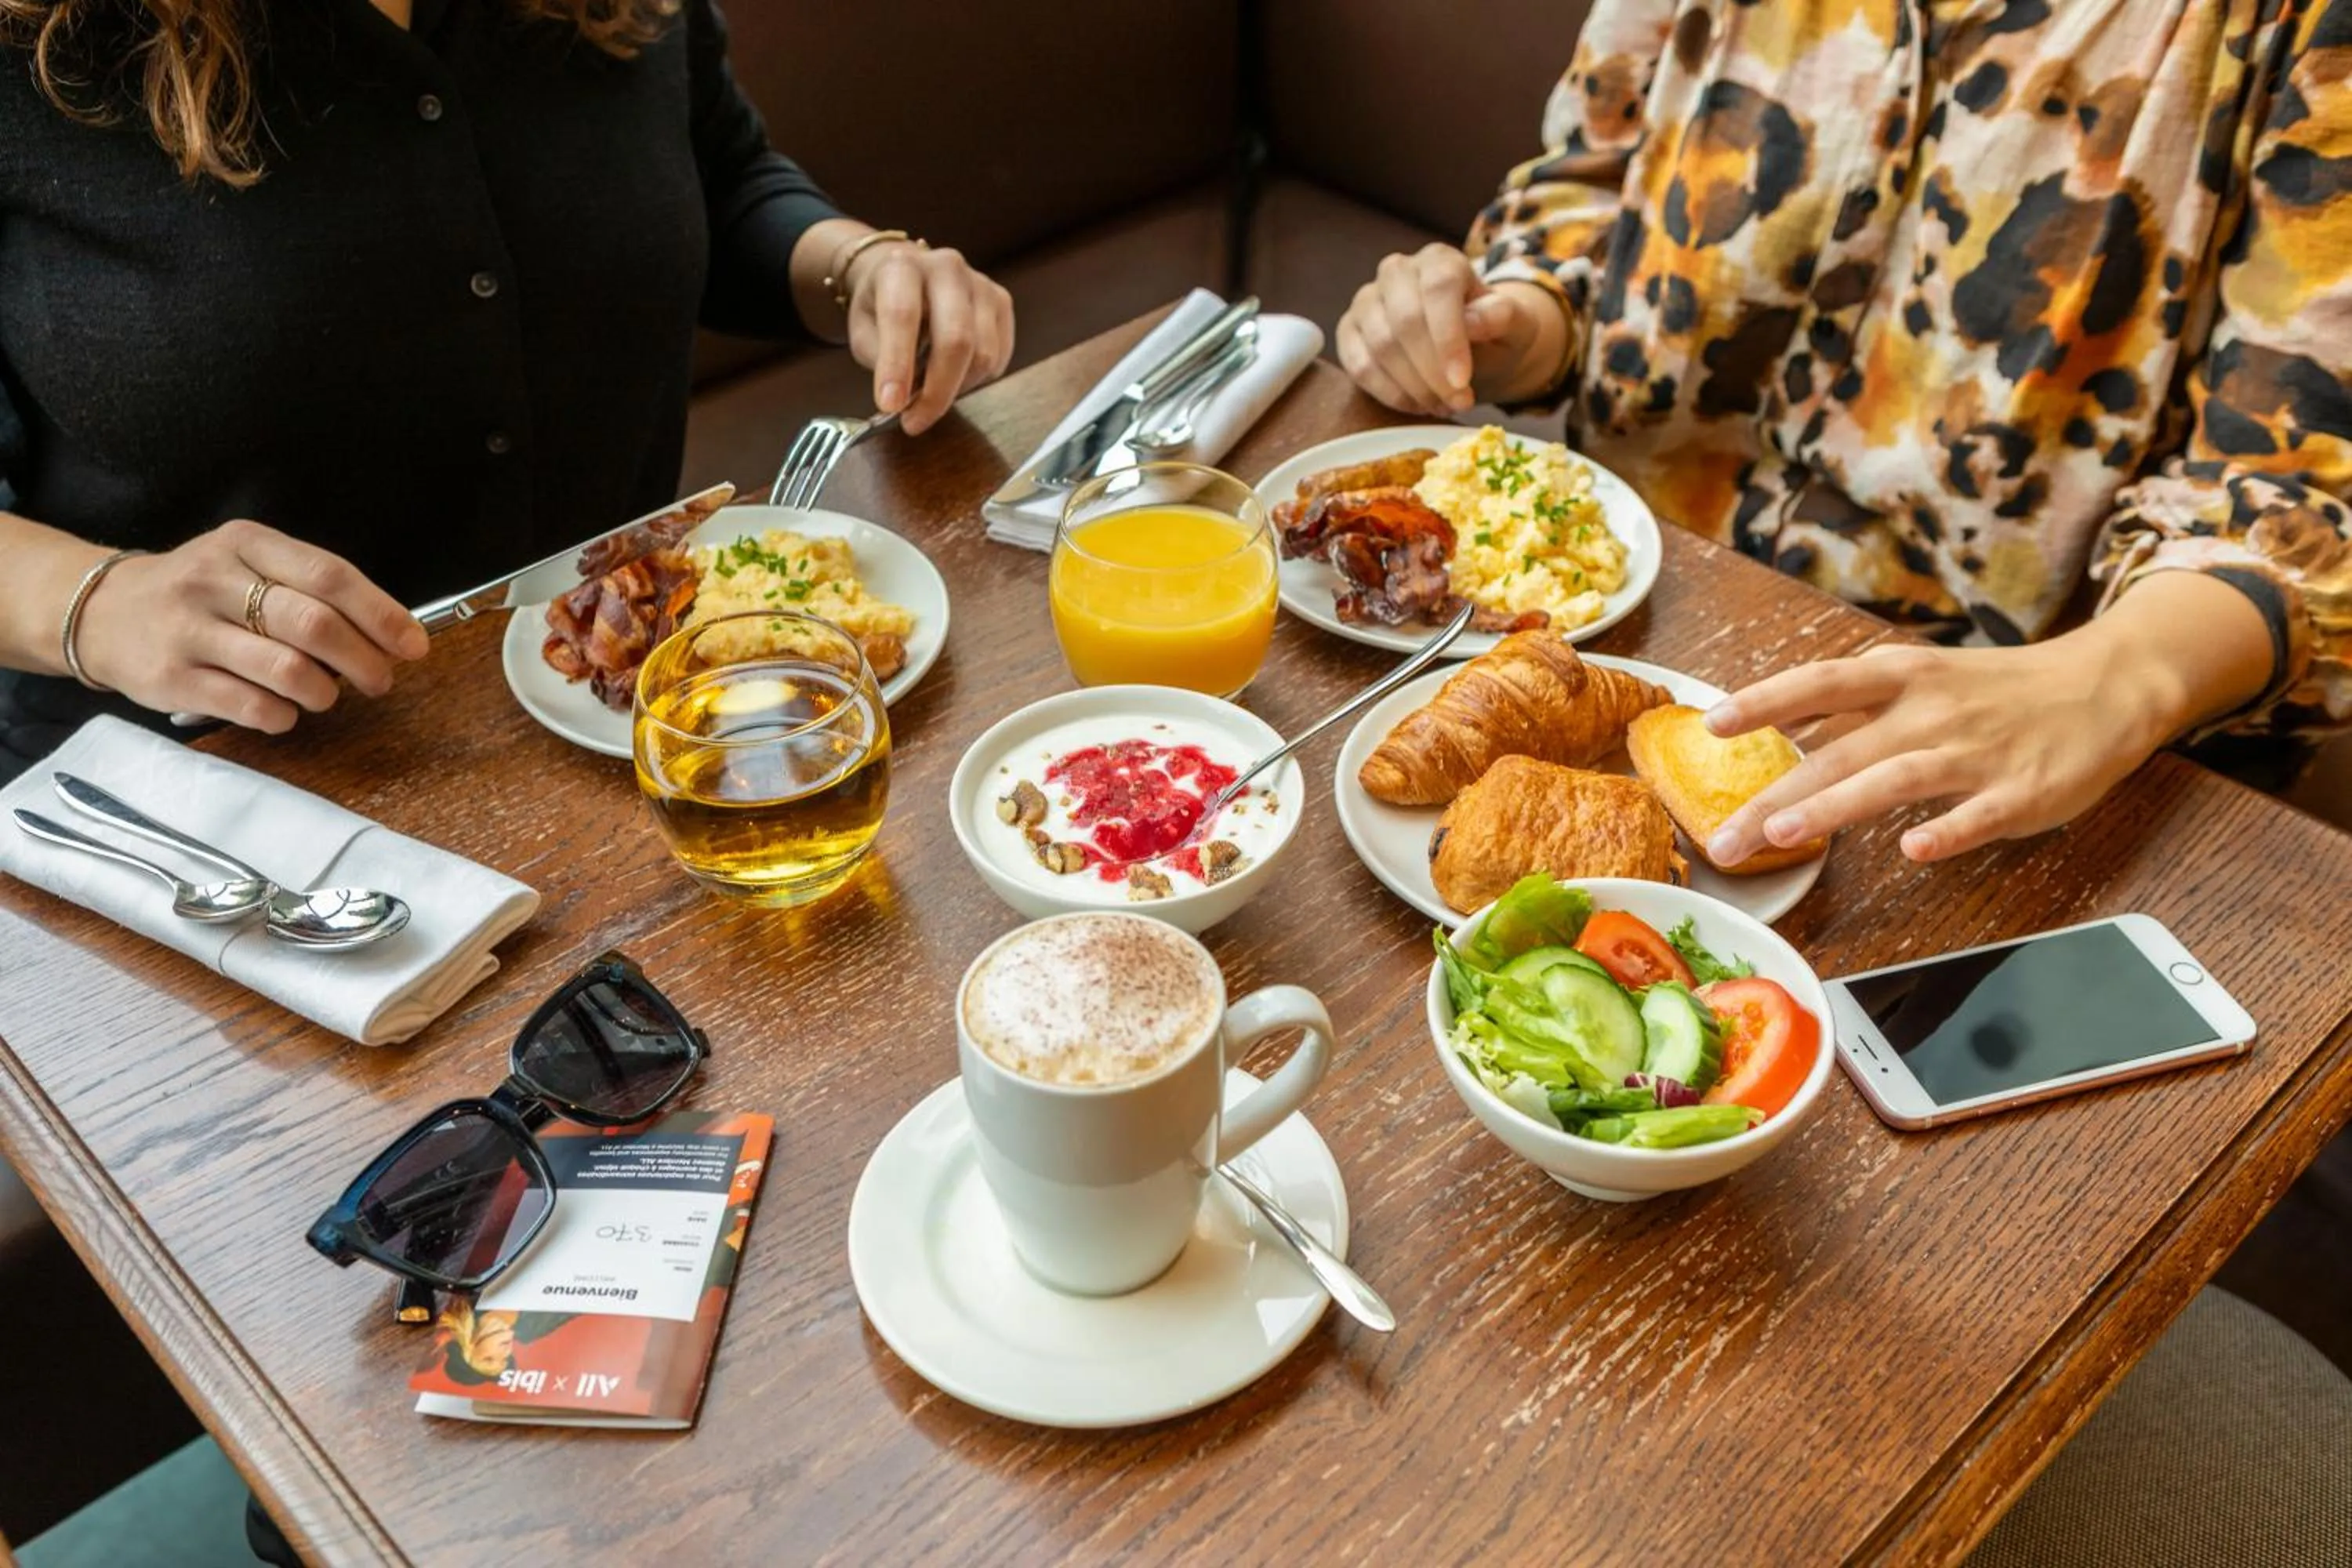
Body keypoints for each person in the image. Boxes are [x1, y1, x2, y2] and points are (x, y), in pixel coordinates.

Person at [1337, 0, 2350, 865]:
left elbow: (2306, 489)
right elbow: (1592, 181)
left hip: (1971, 729)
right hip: (1616, 622)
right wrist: (1515, 322)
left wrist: (2117, 677)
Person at [0, 0, 1014, 775]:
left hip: (636, 748)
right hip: (200, 796)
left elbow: (719, 175)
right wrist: (96, 604)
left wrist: (859, 270)